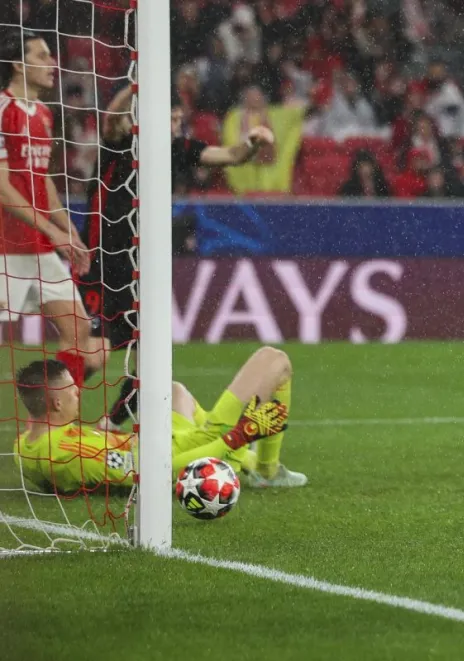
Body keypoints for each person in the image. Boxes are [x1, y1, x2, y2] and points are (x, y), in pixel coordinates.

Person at [79, 85, 275, 432]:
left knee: (148, 354)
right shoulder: (120, 144)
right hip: (102, 262)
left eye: (178, 118)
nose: (175, 124)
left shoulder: (177, 148)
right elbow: (111, 120)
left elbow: (230, 154)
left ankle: (108, 425)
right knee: (97, 350)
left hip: (141, 264)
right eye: (170, 117)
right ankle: (52, 405)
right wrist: (138, 85)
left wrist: (252, 142)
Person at [14, 346, 307, 495]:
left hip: (156, 442)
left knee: (173, 391)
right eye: (71, 389)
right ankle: (266, 470)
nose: (78, 391)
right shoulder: (70, 455)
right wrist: (237, 436)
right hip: (176, 453)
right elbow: (158, 471)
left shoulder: (24, 446)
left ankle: (248, 461)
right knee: (275, 361)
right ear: (55, 403)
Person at [0, 29, 107, 386]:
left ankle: (53, 427)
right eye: (42, 56)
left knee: (82, 337)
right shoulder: (2, 111)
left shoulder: (44, 114)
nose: (52, 63)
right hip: (5, 245)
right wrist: (53, 231)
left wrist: (70, 231)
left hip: (40, 245)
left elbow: (40, 178)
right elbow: (2, 187)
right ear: (18, 64)